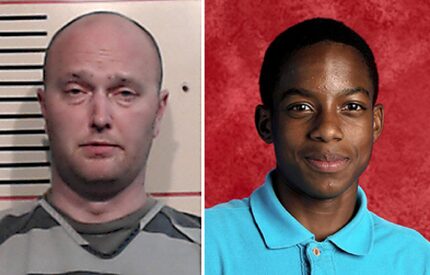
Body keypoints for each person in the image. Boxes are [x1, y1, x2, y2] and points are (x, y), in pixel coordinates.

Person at [205, 18, 430, 275]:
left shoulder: (415, 259)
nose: (327, 130)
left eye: (352, 107)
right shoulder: (209, 243)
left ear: (375, 123)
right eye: (300, 107)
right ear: (266, 124)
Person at [0, 11, 200, 274]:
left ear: (158, 112)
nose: (100, 118)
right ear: (45, 108)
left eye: (125, 93)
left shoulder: (211, 253)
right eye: (76, 91)